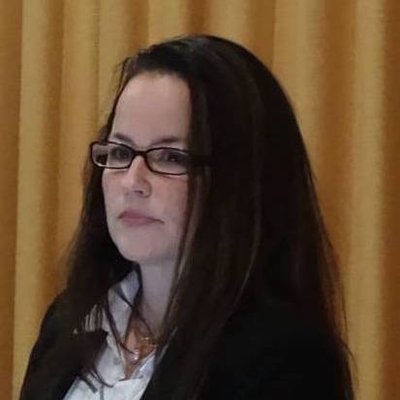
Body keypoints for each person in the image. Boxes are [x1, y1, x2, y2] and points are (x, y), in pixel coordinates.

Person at [20, 34, 354, 400]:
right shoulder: (68, 323)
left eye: (170, 157)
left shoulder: (287, 361)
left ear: (240, 180)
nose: (132, 181)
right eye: (120, 152)